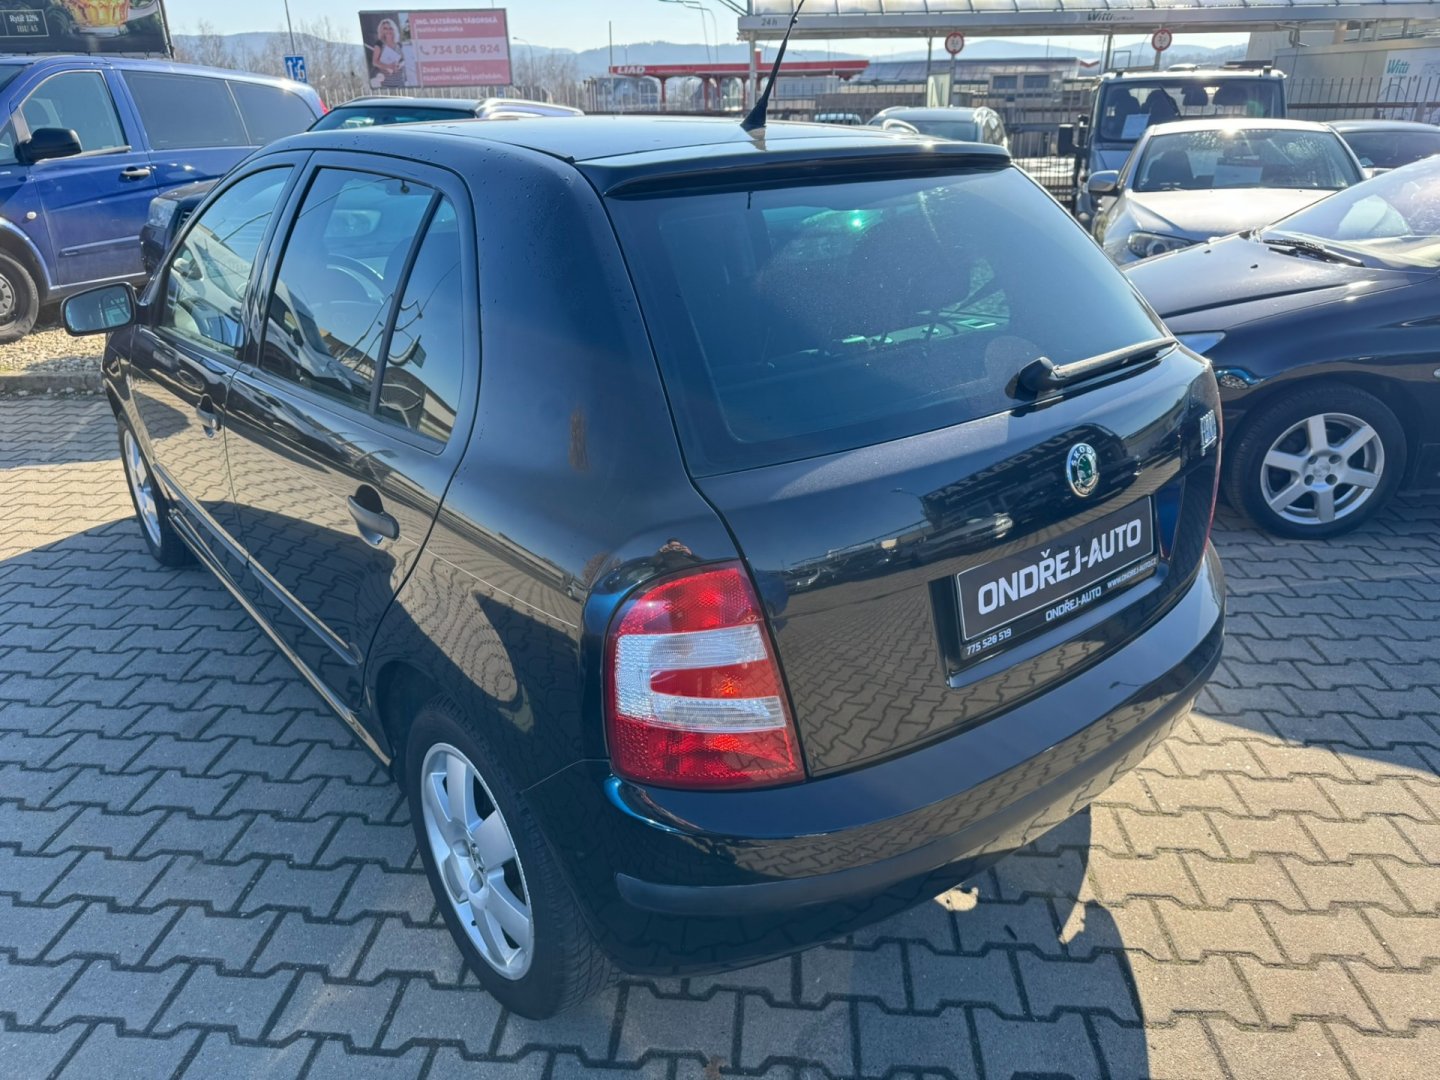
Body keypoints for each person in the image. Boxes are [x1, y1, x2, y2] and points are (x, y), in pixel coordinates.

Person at [370, 18, 407, 89]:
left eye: (390, 28)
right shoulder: (379, 44)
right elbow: (374, 62)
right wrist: (388, 66)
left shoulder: (398, 44)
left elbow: (403, 60)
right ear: (382, 30)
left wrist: (398, 66)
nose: (388, 30)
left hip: (400, 82)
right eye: (385, 28)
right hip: (386, 84)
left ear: (394, 29)